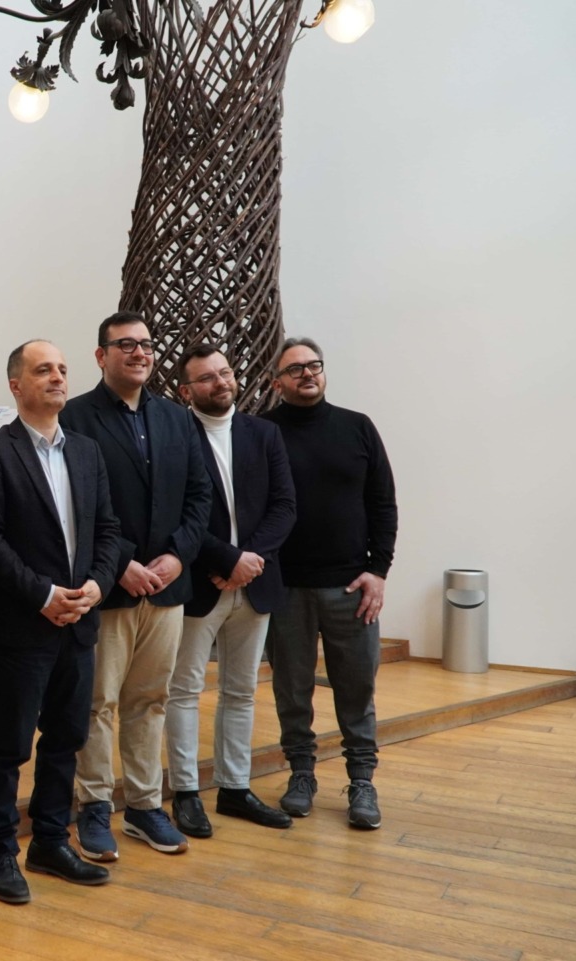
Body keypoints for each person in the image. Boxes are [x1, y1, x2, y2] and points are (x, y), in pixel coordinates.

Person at [0, 340, 122, 905]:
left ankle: (51, 841)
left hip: (78, 622)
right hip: (22, 627)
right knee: (10, 746)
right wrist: (43, 594)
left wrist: (98, 584)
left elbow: (108, 530)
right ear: (16, 385)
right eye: (43, 370)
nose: (57, 377)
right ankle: (0, 851)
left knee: (67, 739)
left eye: (62, 369)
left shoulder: (87, 451)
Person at [58, 312, 211, 860]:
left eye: (146, 344)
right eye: (126, 344)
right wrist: (120, 562)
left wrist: (177, 556)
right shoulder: (75, 417)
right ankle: (95, 806)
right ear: (101, 355)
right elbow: (76, 504)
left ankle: (146, 807)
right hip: (109, 587)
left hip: (166, 589)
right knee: (98, 702)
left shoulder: (176, 418)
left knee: (150, 700)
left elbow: (199, 495)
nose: (140, 352)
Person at [261, 336, 398, 830]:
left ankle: (362, 781)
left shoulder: (358, 427)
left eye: (313, 365)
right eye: (295, 369)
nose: (307, 374)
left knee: (357, 689)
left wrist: (378, 571)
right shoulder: (263, 432)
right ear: (277, 382)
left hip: (350, 589)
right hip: (287, 589)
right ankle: (301, 774)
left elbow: (383, 504)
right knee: (292, 691)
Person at [166, 344, 296, 838]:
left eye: (225, 373)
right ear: (186, 391)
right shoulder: (176, 435)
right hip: (200, 583)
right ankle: (185, 792)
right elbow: (176, 514)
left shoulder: (264, 433)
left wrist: (248, 562)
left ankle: (235, 788)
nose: (220, 382)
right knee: (184, 691)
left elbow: (284, 506)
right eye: (206, 377)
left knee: (241, 691)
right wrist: (225, 561)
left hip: (255, 582)